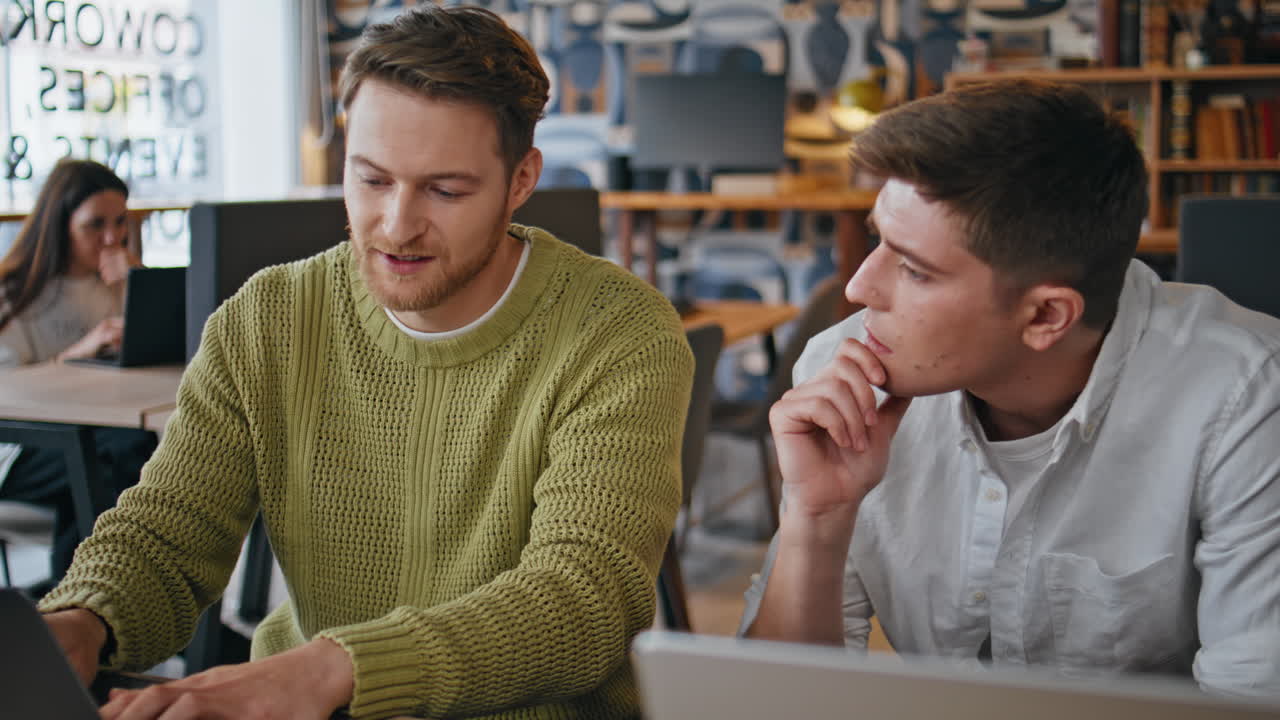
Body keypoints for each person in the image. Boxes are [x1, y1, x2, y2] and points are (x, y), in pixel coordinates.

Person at [38, 6, 693, 720]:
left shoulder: (618, 332)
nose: (396, 224)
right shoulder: (267, 320)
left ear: (521, 180)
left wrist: (335, 668)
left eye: (445, 191)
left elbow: (585, 598)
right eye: (372, 179)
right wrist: (80, 620)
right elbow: (169, 532)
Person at [740, 79, 1280, 696]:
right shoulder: (841, 369)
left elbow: (1251, 702)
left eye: (915, 270)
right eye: (876, 239)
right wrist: (818, 516)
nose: (860, 288)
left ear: (1046, 316)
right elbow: (774, 703)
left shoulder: (1246, 400)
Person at [0, 158, 156, 586]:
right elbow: (6, 390)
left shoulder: (117, 281)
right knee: (103, 459)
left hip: (96, 433)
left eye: (121, 222)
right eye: (95, 225)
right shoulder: (15, 290)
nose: (112, 238)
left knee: (138, 451)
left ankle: (94, 604)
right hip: (17, 448)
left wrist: (134, 288)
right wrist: (78, 353)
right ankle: (78, 606)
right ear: (59, 223)